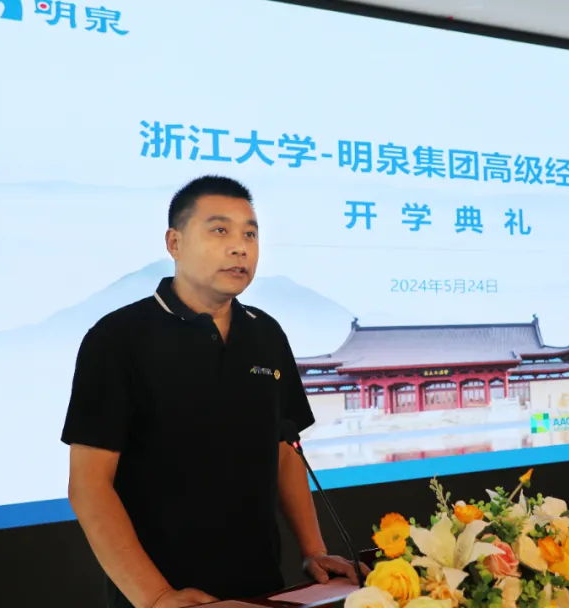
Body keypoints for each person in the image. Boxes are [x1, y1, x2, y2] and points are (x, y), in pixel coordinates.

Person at [61, 175, 364, 608]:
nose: (240, 247)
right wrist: (156, 596)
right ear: (175, 242)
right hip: (163, 594)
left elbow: (284, 449)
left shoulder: (266, 333)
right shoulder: (117, 338)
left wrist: (314, 550)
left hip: (263, 586)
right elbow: (89, 485)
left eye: (250, 234)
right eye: (220, 230)